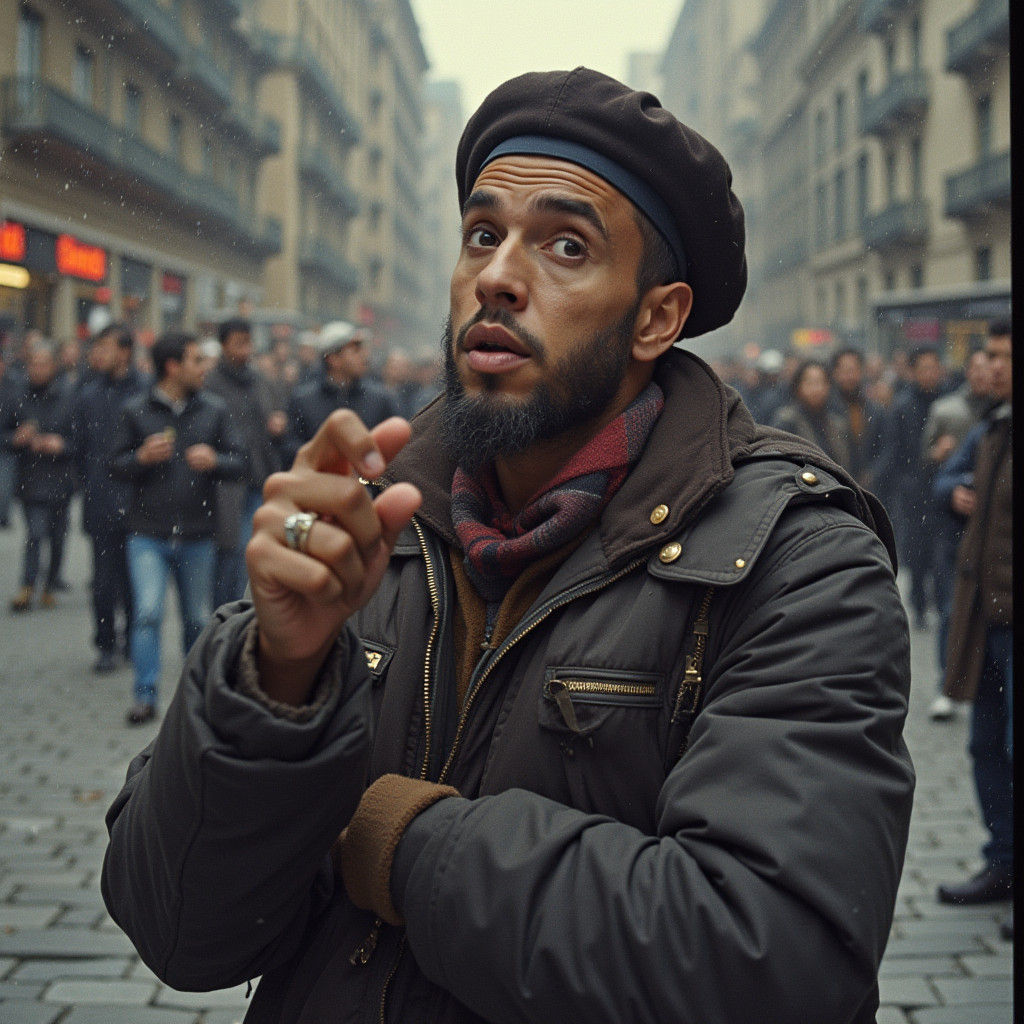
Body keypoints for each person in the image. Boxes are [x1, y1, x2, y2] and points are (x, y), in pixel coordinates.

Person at [102, 68, 914, 1023]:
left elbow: (773, 964)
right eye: (482, 235)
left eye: (566, 245)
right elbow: (180, 930)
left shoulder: (795, 559)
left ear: (656, 316)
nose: (496, 274)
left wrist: (398, 841)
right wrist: (272, 679)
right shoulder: (373, 520)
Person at [109, 332, 246, 725]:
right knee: (148, 612)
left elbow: (241, 461)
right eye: (195, 361)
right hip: (147, 533)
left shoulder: (213, 410)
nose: (204, 369)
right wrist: (140, 457)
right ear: (172, 366)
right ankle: (145, 695)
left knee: (197, 620)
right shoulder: (136, 410)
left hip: (197, 534)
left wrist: (215, 459)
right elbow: (113, 464)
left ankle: (193, 698)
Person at [934, 323, 1012, 940]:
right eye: (990, 356)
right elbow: (943, 480)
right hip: (989, 618)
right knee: (987, 745)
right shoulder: (991, 428)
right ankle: (1003, 866)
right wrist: (951, 489)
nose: (991, 367)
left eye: (1003, 358)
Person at [920, 348, 992, 720]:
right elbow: (932, 469)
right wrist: (951, 483)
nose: (986, 374)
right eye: (980, 365)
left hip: (995, 533)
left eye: (994, 364)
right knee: (951, 608)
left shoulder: (998, 416)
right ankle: (947, 685)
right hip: (956, 531)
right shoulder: (950, 411)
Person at [74, 323, 149, 672]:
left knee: (135, 579)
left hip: (138, 500)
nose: (97, 354)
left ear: (123, 352)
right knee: (103, 581)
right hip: (101, 500)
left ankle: (135, 640)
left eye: (104, 347)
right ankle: (105, 644)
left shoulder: (146, 392)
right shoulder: (89, 394)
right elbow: (81, 449)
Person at [205, 317, 288, 607]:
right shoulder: (210, 383)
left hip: (259, 476)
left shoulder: (259, 380)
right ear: (223, 344)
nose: (245, 349)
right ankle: (225, 615)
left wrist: (277, 425)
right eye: (238, 343)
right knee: (230, 554)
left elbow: (275, 418)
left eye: (248, 342)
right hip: (226, 481)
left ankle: (241, 616)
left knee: (253, 553)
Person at [2, 337, 76, 610]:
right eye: (34, 363)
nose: (39, 369)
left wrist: (60, 444)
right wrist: (17, 438)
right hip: (30, 475)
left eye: (44, 363)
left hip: (60, 477)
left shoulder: (67, 395)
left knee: (58, 535)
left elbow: (79, 440)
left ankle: (50, 581)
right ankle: (28, 584)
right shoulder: (16, 394)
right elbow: (4, 434)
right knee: (34, 532)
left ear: (53, 366)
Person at [877, 344, 946, 629]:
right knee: (917, 556)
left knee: (940, 554)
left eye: (933, 368)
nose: (929, 374)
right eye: (923, 368)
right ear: (914, 371)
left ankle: (942, 603)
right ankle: (919, 605)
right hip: (914, 494)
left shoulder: (947, 402)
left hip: (942, 492)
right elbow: (895, 453)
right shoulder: (902, 407)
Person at [283, 320, 399, 462]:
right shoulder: (303, 400)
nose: (364, 356)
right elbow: (291, 449)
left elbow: (393, 450)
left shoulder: (381, 400)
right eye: (355, 350)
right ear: (333, 359)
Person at [771, 358, 851, 468]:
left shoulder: (837, 424)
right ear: (798, 386)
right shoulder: (787, 421)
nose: (816, 389)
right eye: (809, 382)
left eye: (820, 382)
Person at [829, 346, 885, 491]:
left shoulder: (875, 409)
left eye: (854, 370)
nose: (850, 376)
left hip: (872, 487)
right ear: (835, 373)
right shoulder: (826, 411)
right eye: (845, 371)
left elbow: (887, 447)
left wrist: (872, 474)